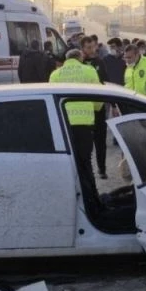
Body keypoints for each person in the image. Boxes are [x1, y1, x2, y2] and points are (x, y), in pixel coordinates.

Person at [49, 48, 101, 190]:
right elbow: (98, 97)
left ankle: (73, 193)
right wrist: (95, 109)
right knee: (85, 162)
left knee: (69, 163)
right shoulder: (89, 71)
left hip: (63, 124)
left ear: (66, 59)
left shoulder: (55, 74)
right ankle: (90, 194)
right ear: (80, 58)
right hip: (84, 124)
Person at [81, 36, 109, 179]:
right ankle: (86, 170)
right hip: (83, 109)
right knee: (85, 143)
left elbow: (105, 82)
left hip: (98, 107)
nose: (92, 50)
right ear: (82, 48)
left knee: (100, 140)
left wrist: (111, 103)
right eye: (88, 47)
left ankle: (102, 169)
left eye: (93, 47)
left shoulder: (100, 62)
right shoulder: (79, 64)